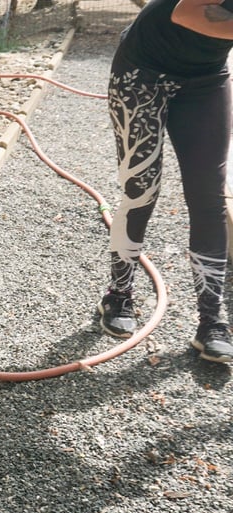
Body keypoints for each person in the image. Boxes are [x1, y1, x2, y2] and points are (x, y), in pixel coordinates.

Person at [97, 0, 233, 362]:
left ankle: (211, 321)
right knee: (141, 191)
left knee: (209, 198)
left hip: (207, 78)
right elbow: (185, 12)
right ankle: (118, 295)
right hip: (142, 71)